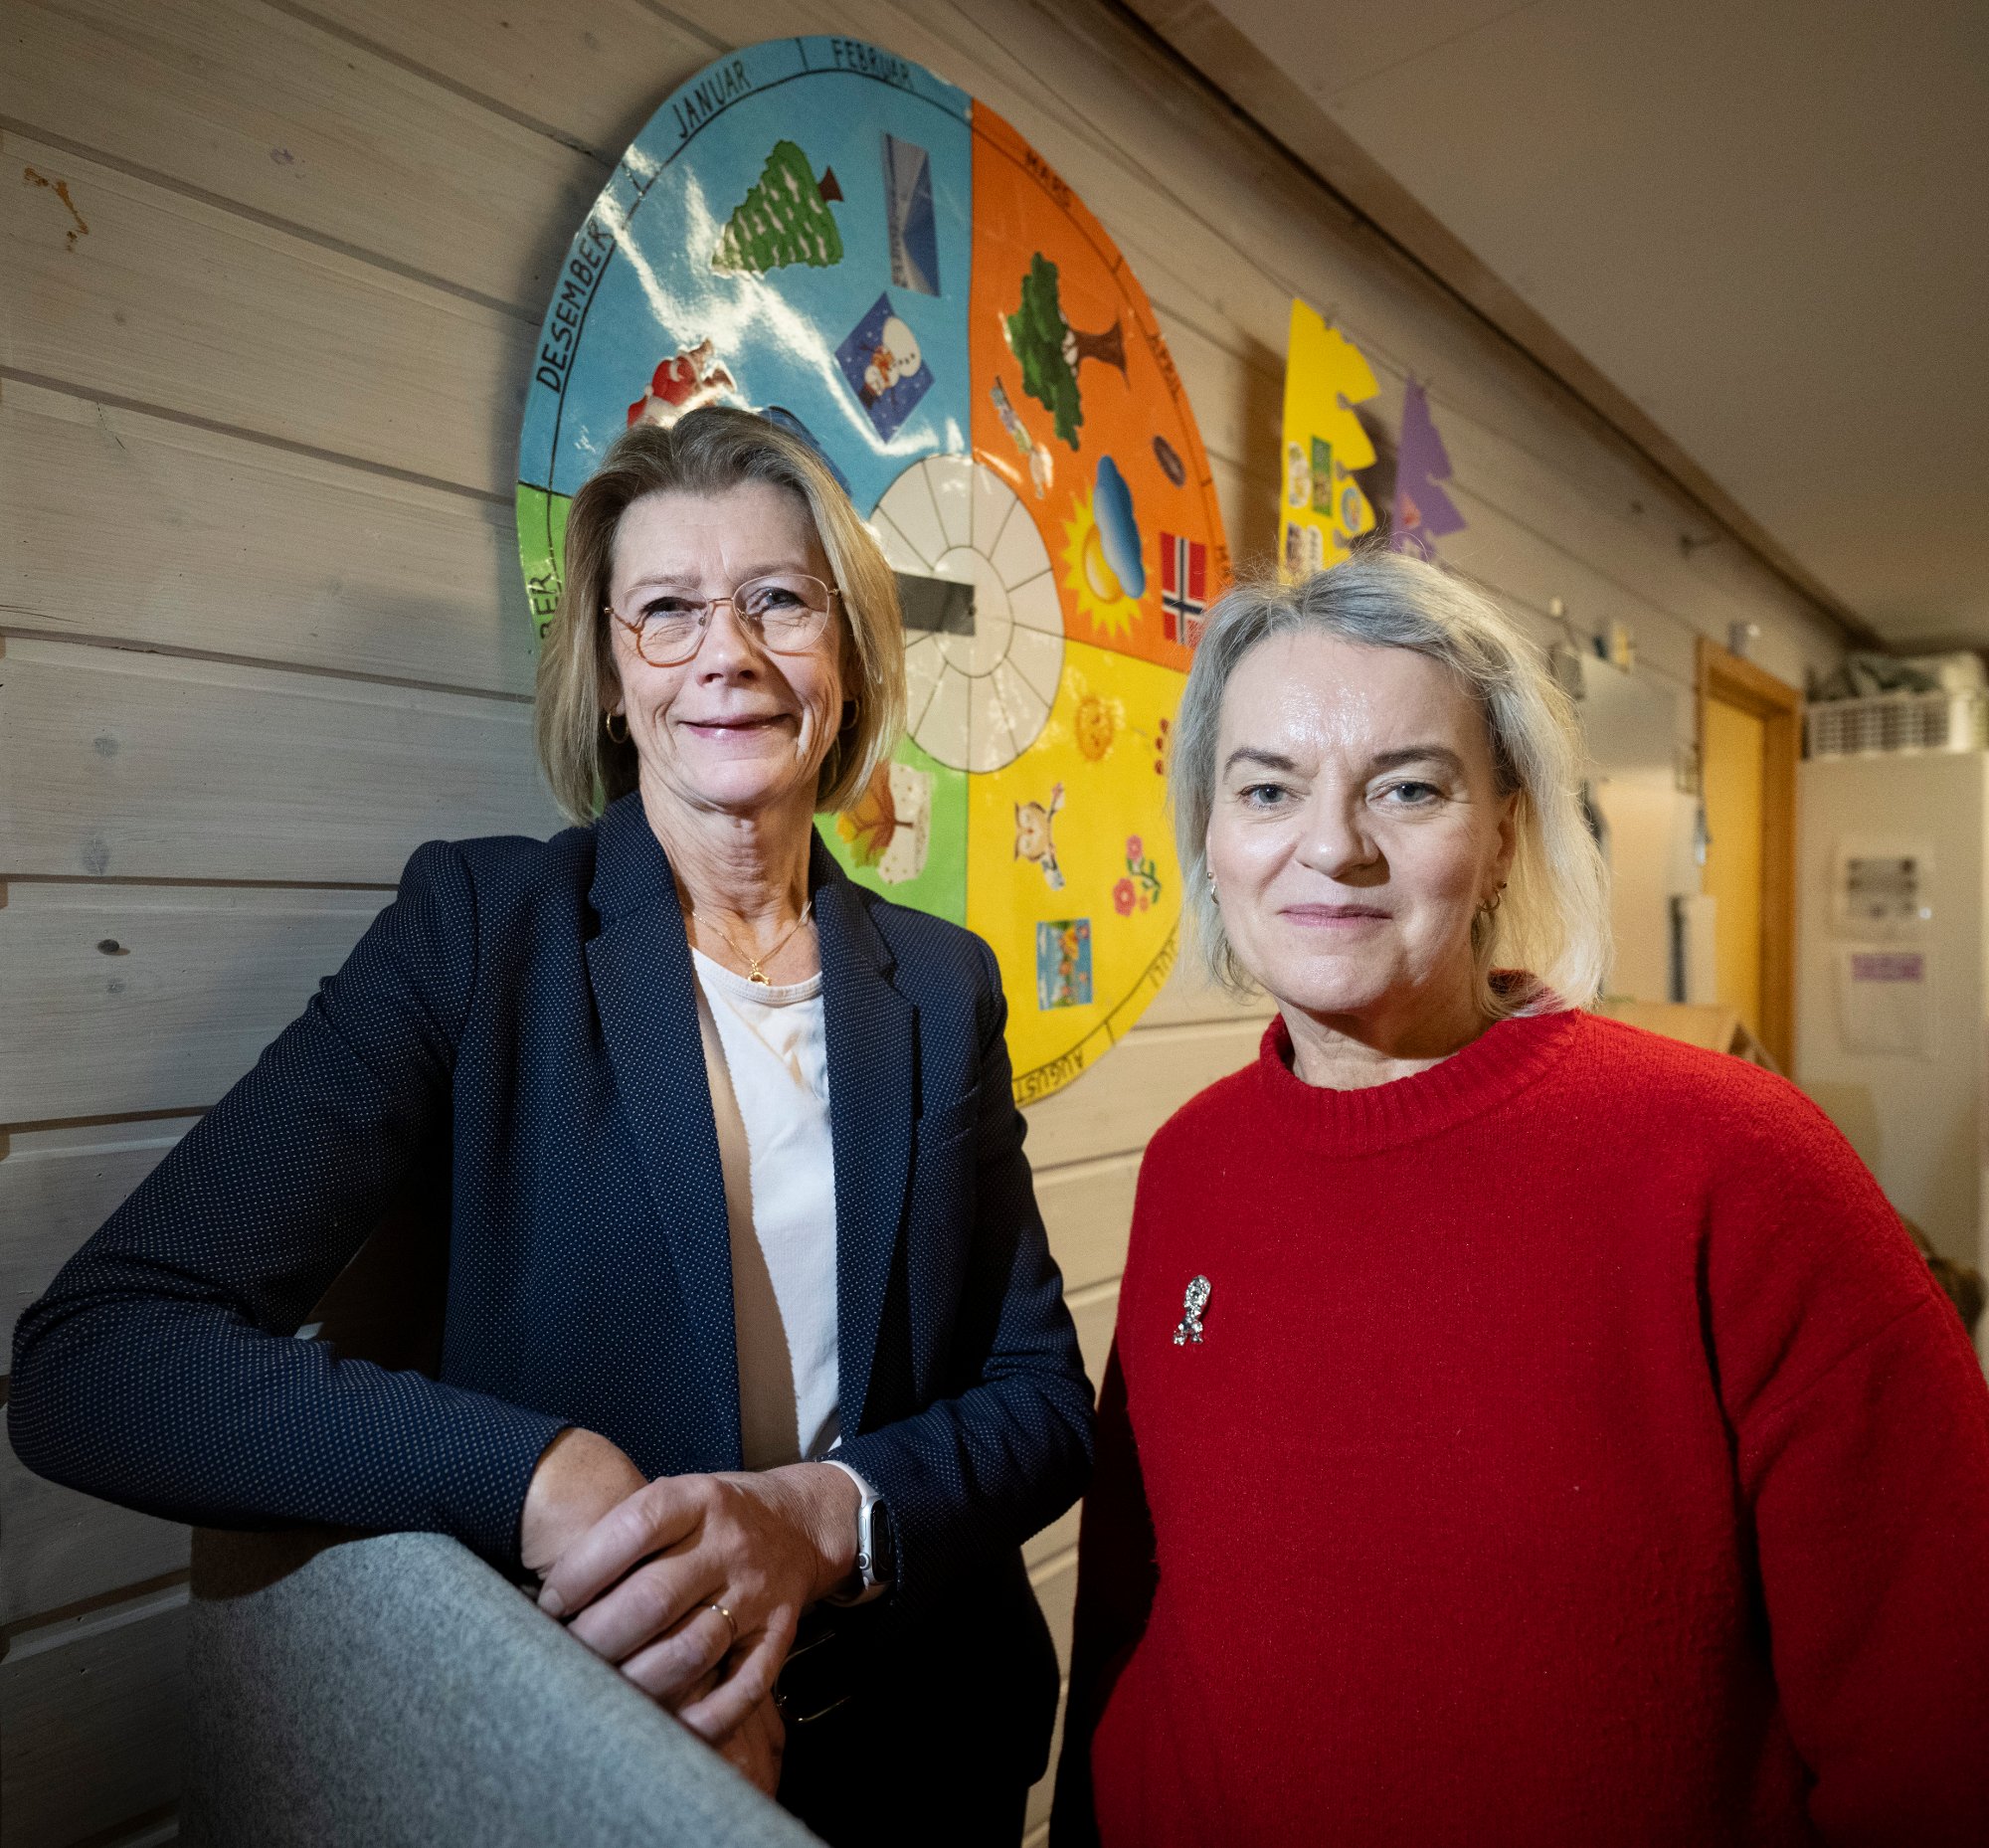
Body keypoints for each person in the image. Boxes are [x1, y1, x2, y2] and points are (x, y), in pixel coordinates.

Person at [12, 408, 1093, 1845]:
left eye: (779, 599)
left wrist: (822, 1517)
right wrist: (544, 1477)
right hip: (606, 1751)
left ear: (848, 654)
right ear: (608, 674)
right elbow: (97, 1356)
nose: (727, 651)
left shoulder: (942, 983)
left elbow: (1041, 1399)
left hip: (929, 1748)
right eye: (667, 610)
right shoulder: (481, 931)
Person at [1052, 551, 1989, 1847]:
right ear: (1211, 836)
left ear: (1503, 833)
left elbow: (1939, 1719)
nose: (1332, 845)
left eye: (1408, 786)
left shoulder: (1734, 1159)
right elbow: (1129, 1600)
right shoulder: (1189, 1164)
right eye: (1267, 787)